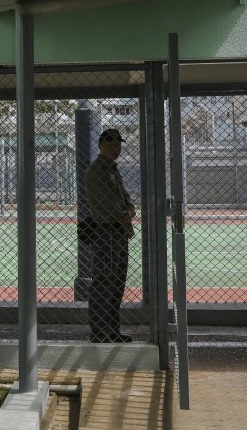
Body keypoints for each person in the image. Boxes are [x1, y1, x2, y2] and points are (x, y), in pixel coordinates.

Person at [84, 128, 137, 343]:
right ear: (101, 146)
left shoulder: (112, 170)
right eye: (111, 145)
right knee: (103, 282)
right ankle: (99, 332)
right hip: (106, 232)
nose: (116, 149)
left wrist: (129, 213)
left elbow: (127, 201)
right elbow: (108, 203)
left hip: (118, 232)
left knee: (117, 283)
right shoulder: (97, 171)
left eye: (118, 145)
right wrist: (125, 215)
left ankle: (112, 330)